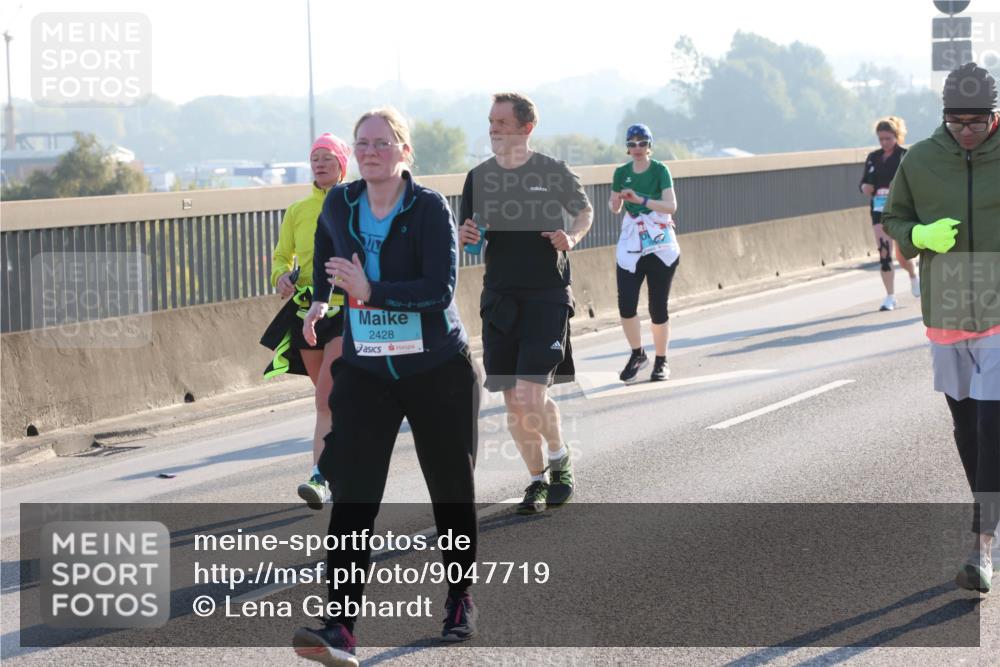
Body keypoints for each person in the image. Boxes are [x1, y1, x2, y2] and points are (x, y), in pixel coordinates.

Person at [292, 107, 481, 665]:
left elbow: (438, 289)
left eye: (382, 142)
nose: (371, 151)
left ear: (404, 150)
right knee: (353, 495)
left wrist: (369, 289)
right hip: (368, 368)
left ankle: (459, 597)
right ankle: (340, 626)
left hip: (436, 368)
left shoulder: (427, 209)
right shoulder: (340, 201)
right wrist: (324, 300)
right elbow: (328, 250)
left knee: (450, 490)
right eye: (362, 143)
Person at [882, 62, 999, 594]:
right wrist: (920, 236)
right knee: (968, 430)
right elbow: (895, 221)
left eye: (979, 122)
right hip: (948, 307)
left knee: (992, 428)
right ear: (944, 116)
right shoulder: (922, 159)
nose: (969, 131)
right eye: (959, 122)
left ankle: (982, 547)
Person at [458, 92, 594, 515]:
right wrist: (468, 239)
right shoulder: (478, 177)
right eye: (491, 122)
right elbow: (474, 239)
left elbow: (584, 212)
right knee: (513, 399)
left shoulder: (552, 171)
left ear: (526, 127)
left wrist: (570, 237)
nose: (493, 129)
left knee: (531, 394)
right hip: (500, 299)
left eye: (502, 122)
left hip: (546, 296)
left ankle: (559, 459)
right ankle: (535, 480)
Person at [260, 132, 351, 509]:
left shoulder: (355, 201)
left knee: (326, 395)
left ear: (343, 164)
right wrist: (280, 276)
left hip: (349, 308)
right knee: (328, 403)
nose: (320, 163)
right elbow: (282, 258)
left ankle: (320, 476)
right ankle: (345, 463)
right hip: (307, 311)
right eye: (315, 157)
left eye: (328, 157)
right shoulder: (298, 210)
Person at [609, 123, 680, 384]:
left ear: (649, 145)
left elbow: (671, 206)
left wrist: (642, 200)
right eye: (632, 143)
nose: (637, 148)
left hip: (659, 243)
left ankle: (661, 360)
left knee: (657, 305)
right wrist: (616, 202)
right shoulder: (620, 172)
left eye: (642, 143)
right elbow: (614, 205)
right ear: (627, 148)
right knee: (626, 304)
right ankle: (637, 353)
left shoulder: (660, 170)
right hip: (632, 243)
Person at [859, 116, 918, 311]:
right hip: (878, 209)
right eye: (881, 139)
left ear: (897, 136)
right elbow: (865, 181)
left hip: (900, 209)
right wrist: (865, 187)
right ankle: (890, 296)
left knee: (902, 254)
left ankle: (912, 274)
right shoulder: (873, 157)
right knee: (885, 252)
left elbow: (914, 182)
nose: (884, 143)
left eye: (888, 138)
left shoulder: (905, 155)